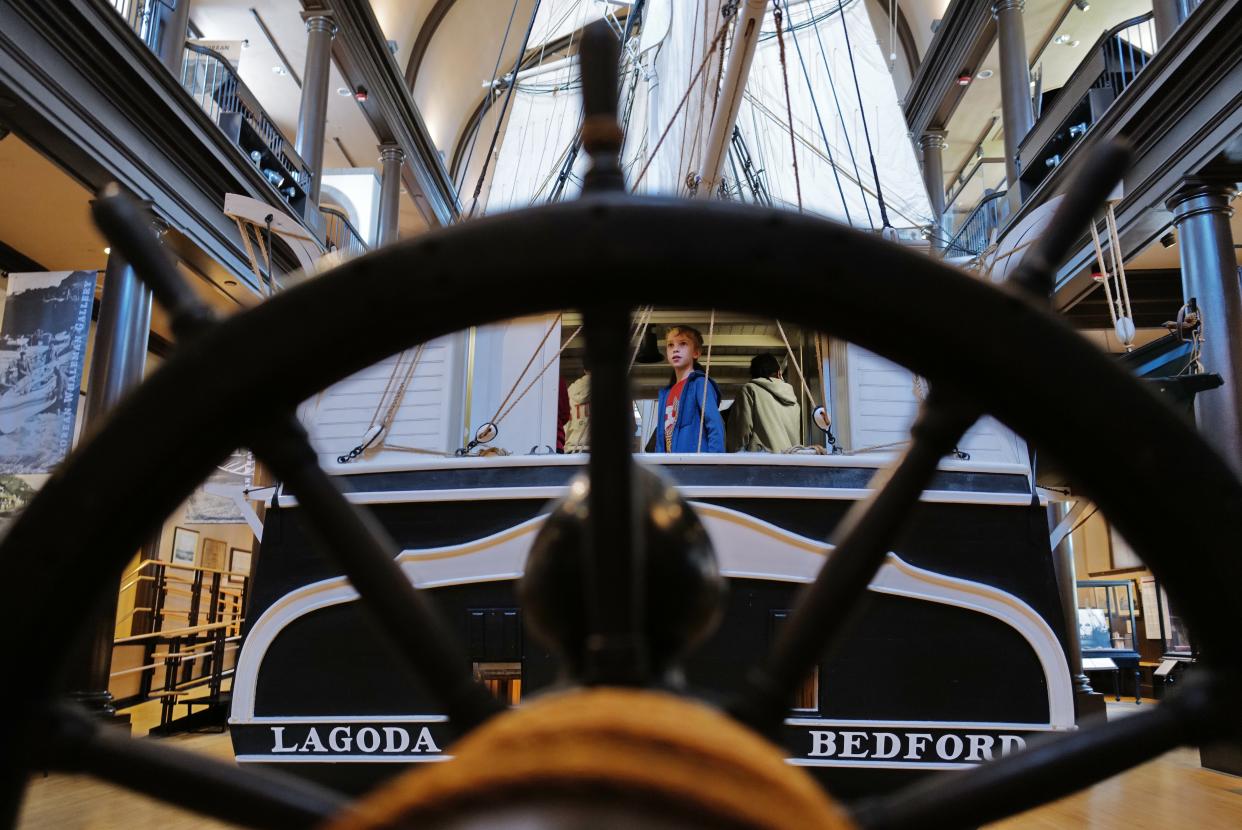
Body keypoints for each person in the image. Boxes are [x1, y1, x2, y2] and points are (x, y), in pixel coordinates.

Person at [650, 326, 725, 453]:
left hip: (695, 468)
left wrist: (715, 464)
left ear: (696, 352)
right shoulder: (665, 394)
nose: (675, 350)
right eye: (670, 345)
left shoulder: (700, 383)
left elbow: (715, 425)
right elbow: (661, 437)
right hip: (671, 468)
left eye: (683, 344)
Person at [726, 353, 801, 453]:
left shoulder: (750, 390)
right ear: (779, 373)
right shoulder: (793, 401)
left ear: (753, 375)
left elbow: (740, 433)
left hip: (761, 463)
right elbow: (795, 440)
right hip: (789, 462)